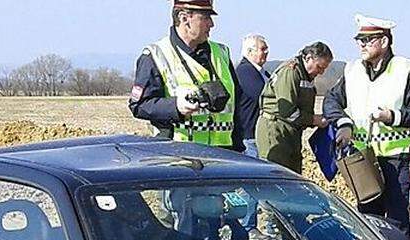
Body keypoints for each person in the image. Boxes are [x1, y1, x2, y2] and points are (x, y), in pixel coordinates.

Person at [323, 14, 410, 239]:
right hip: (363, 161)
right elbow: (331, 101)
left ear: (384, 41)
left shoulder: (406, 69)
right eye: (359, 40)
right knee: (368, 221)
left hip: (398, 160)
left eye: (368, 40)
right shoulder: (352, 71)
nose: (361, 45)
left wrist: (392, 116)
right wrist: (343, 123)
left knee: (398, 222)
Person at [128, 0, 243, 151]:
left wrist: (239, 149)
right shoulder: (156, 55)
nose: (211, 24)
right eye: (205, 17)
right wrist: (175, 106)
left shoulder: (222, 53)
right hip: (179, 156)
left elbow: (236, 105)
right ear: (184, 18)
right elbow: (139, 106)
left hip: (224, 156)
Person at [257, 43, 333, 174]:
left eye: (324, 69)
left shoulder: (307, 76)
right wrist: (314, 120)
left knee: (293, 174)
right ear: (309, 58)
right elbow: (287, 111)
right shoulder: (290, 71)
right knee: (278, 174)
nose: (321, 72)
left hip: (292, 131)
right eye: (319, 67)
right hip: (276, 129)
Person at [235, 33, 271, 158]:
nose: (266, 52)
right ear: (249, 51)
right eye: (262, 49)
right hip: (249, 137)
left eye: (266, 49)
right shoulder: (245, 71)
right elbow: (264, 96)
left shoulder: (263, 73)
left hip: (259, 135)